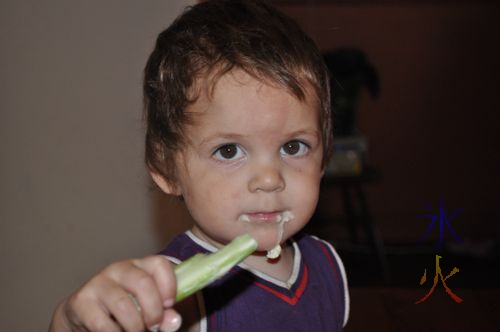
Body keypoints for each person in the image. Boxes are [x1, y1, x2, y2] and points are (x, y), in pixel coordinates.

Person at [49, 0, 349, 331]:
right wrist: (70, 322)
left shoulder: (327, 266)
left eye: (293, 146)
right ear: (165, 168)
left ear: (324, 156)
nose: (269, 178)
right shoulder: (168, 296)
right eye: (229, 150)